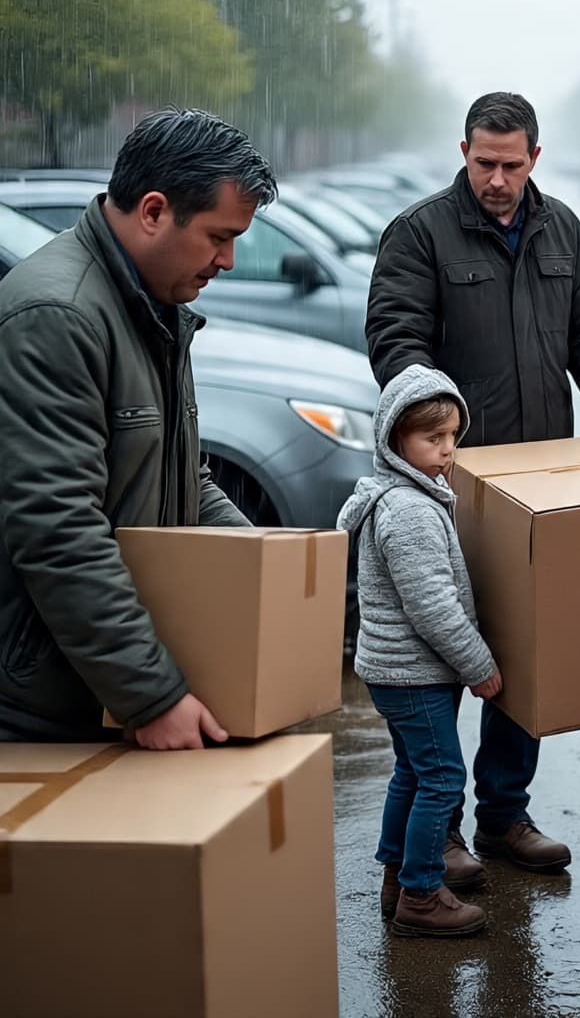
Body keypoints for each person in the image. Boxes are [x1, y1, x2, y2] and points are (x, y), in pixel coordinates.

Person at [365, 91, 580, 877]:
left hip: (542, 483)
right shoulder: (420, 232)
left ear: (535, 158)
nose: (495, 178)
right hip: (451, 486)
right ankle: (440, 828)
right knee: (446, 649)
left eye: (510, 165)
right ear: (463, 151)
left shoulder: (562, 228)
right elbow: (395, 338)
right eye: (483, 162)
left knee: (526, 651)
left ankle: (505, 816)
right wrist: (435, 430)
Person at [0, 108, 277, 745]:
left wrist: (265, 572)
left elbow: (182, 473)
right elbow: (59, 528)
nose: (229, 260)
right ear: (154, 212)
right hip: (46, 703)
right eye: (218, 236)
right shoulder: (59, 315)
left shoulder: (152, 304)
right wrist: (151, 694)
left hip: (97, 684)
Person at [338, 365, 500, 938]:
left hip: (399, 672)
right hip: (413, 674)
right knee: (441, 779)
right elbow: (432, 606)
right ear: (395, 441)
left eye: (453, 436)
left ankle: (396, 877)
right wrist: (478, 665)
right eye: (433, 439)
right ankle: (423, 895)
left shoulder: (414, 494)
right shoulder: (408, 510)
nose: (448, 451)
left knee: (410, 773)